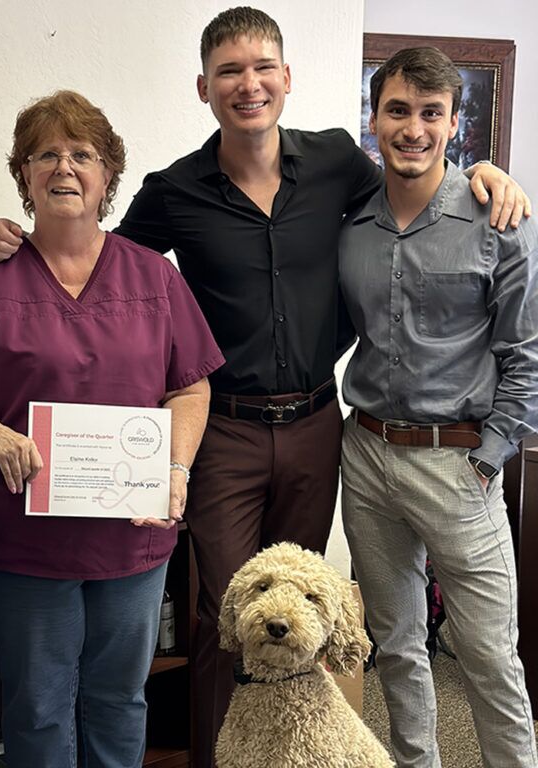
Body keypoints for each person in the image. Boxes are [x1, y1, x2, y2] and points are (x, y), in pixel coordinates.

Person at [0, 9, 530, 765]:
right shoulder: (174, 190)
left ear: (287, 78)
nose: (249, 84)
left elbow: (415, 183)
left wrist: (483, 173)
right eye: (230, 71)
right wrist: (16, 239)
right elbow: (97, 261)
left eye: (263, 67)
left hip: (318, 427)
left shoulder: (337, 162)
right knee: (226, 617)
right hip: (225, 431)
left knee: (300, 618)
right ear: (204, 87)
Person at [0, 89, 223, 767]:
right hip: (23, 538)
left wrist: (176, 470)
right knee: (37, 705)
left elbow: (190, 386)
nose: (63, 167)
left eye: (82, 154)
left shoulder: (154, 276)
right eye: (45, 155)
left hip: (131, 531)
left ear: (108, 174)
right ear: (25, 175)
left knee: (120, 697)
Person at [339, 46, 538, 768]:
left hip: (459, 466)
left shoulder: (498, 219)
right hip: (366, 459)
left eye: (432, 113)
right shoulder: (351, 224)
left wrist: (488, 461)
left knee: (488, 658)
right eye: (397, 110)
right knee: (396, 647)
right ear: (375, 118)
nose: (413, 128)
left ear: (455, 123)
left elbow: (527, 357)